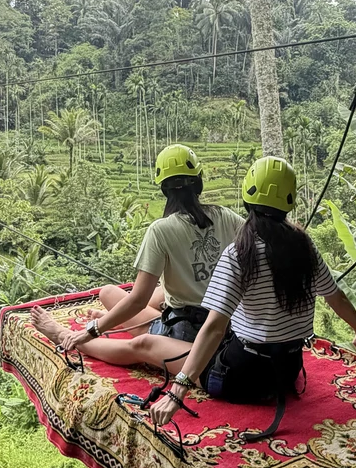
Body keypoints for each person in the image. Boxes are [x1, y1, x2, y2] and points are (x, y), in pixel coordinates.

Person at [151, 156, 356, 440]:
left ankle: (94, 337)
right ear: (289, 200)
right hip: (288, 371)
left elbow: (214, 327)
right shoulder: (304, 245)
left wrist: (177, 391)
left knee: (150, 344)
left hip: (239, 380)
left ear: (247, 196)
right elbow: (336, 296)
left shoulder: (239, 254)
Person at [31, 143, 240, 371]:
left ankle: (67, 336)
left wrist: (93, 329)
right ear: (198, 181)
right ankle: (114, 320)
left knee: (139, 343)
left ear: (164, 189)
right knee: (109, 293)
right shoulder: (225, 216)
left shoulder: (161, 230)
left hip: (187, 332)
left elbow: (138, 300)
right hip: (221, 322)